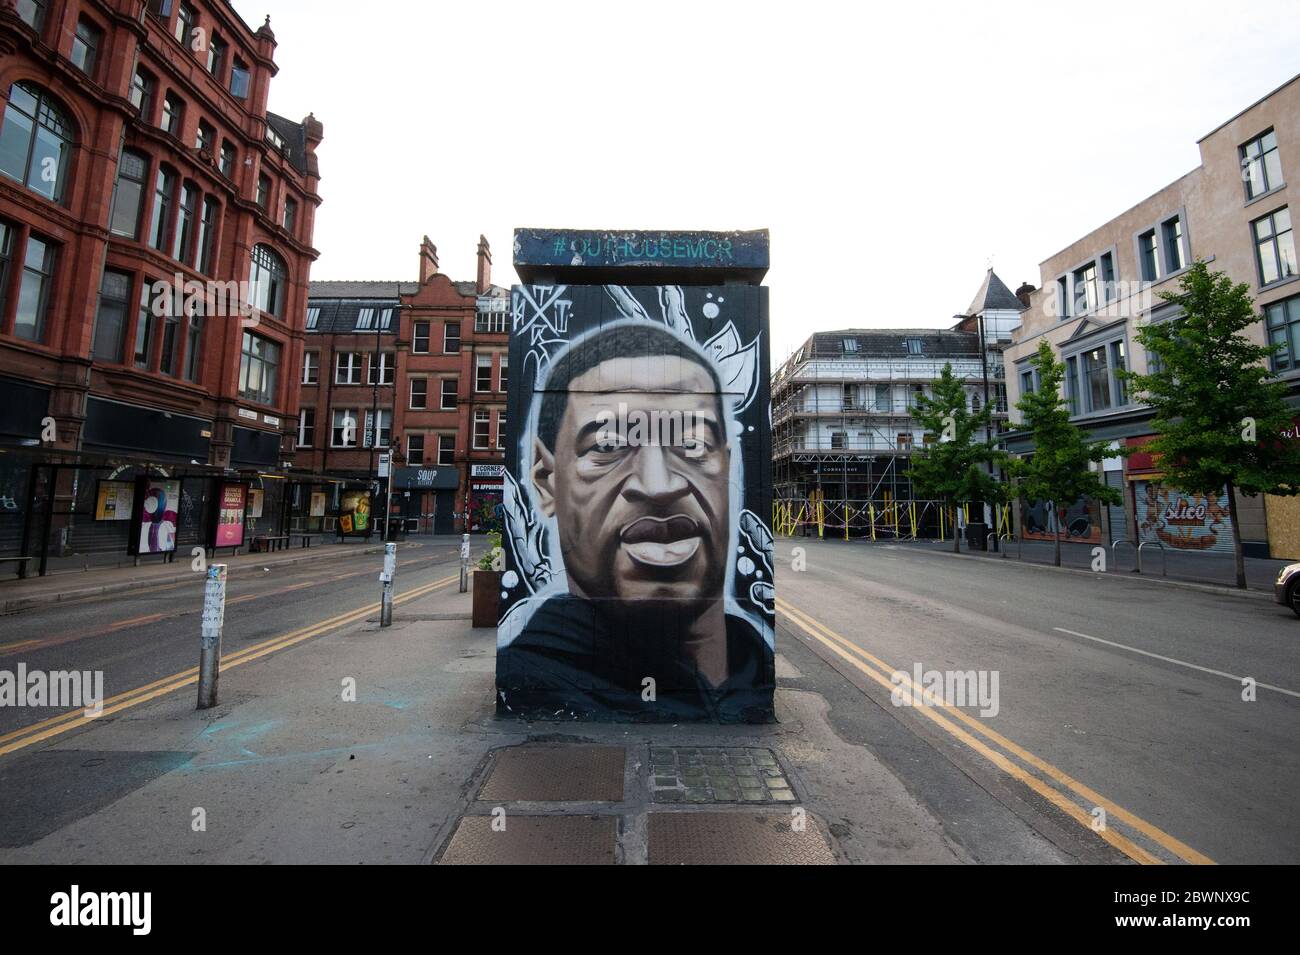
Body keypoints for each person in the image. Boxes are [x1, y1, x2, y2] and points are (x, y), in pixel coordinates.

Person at [497, 323, 773, 722]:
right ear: (546, 481)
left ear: (728, 471)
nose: (659, 486)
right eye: (608, 446)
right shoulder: (534, 680)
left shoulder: (755, 665)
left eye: (692, 445)